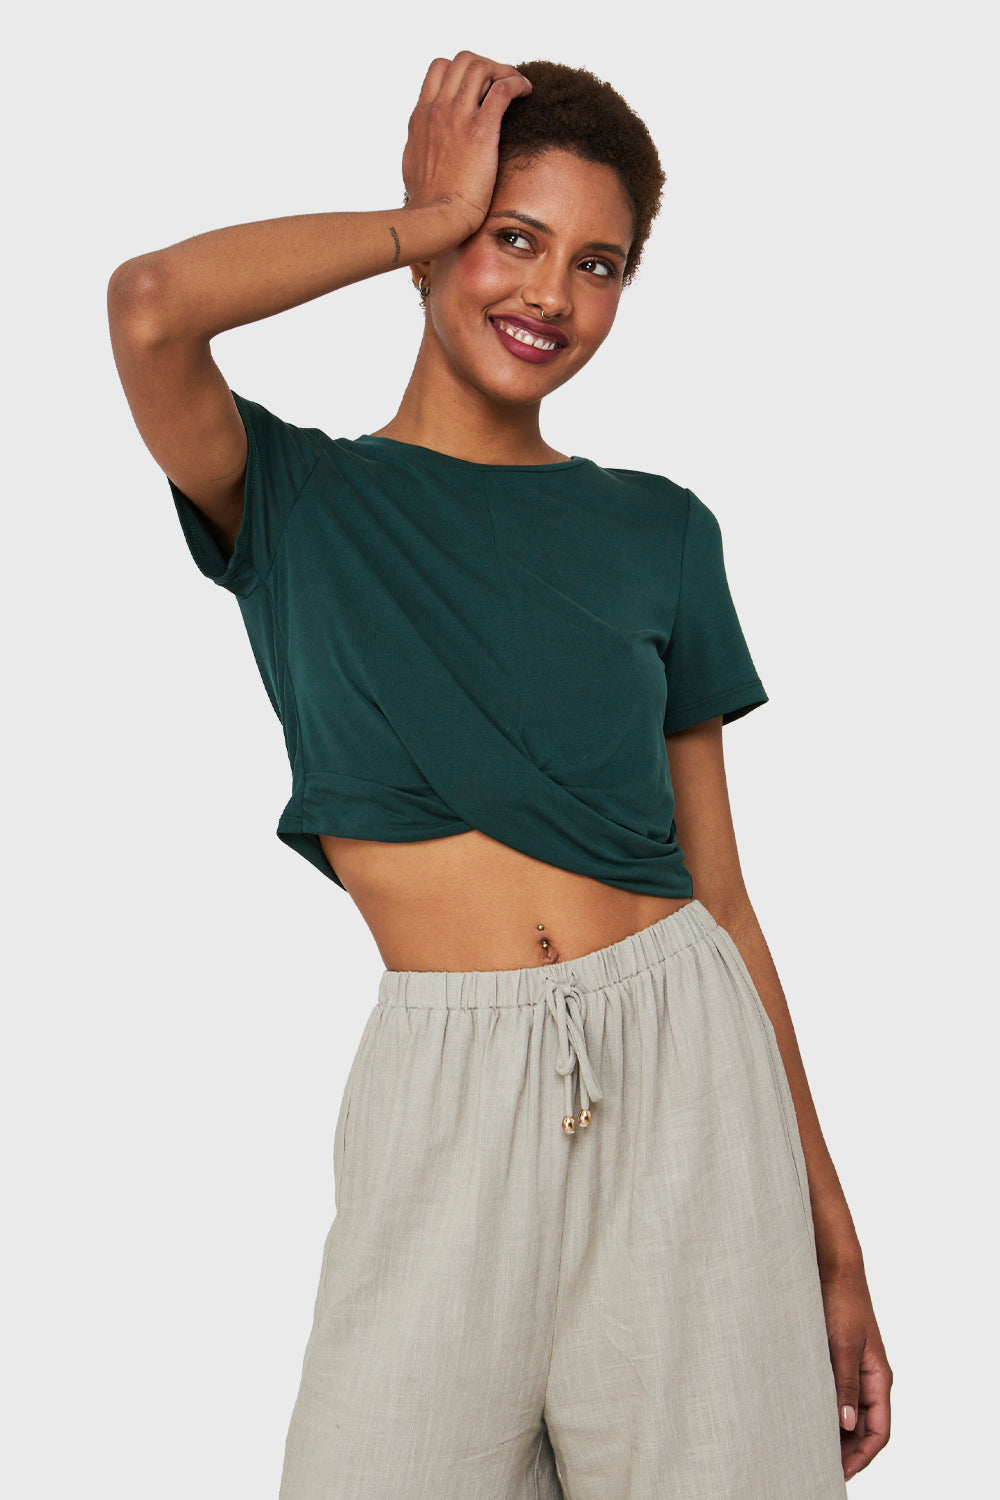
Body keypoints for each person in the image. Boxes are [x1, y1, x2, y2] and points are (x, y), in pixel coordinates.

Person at [107, 51, 891, 1499]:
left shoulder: (659, 529)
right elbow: (152, 305)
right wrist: (423, 217)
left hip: (690, 1085)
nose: (550, 294)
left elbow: (724, 900)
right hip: (443, 1098)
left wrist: (834, 1242)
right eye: (511, 236)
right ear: (439, 233)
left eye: (598, 264)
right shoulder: (296, 496)